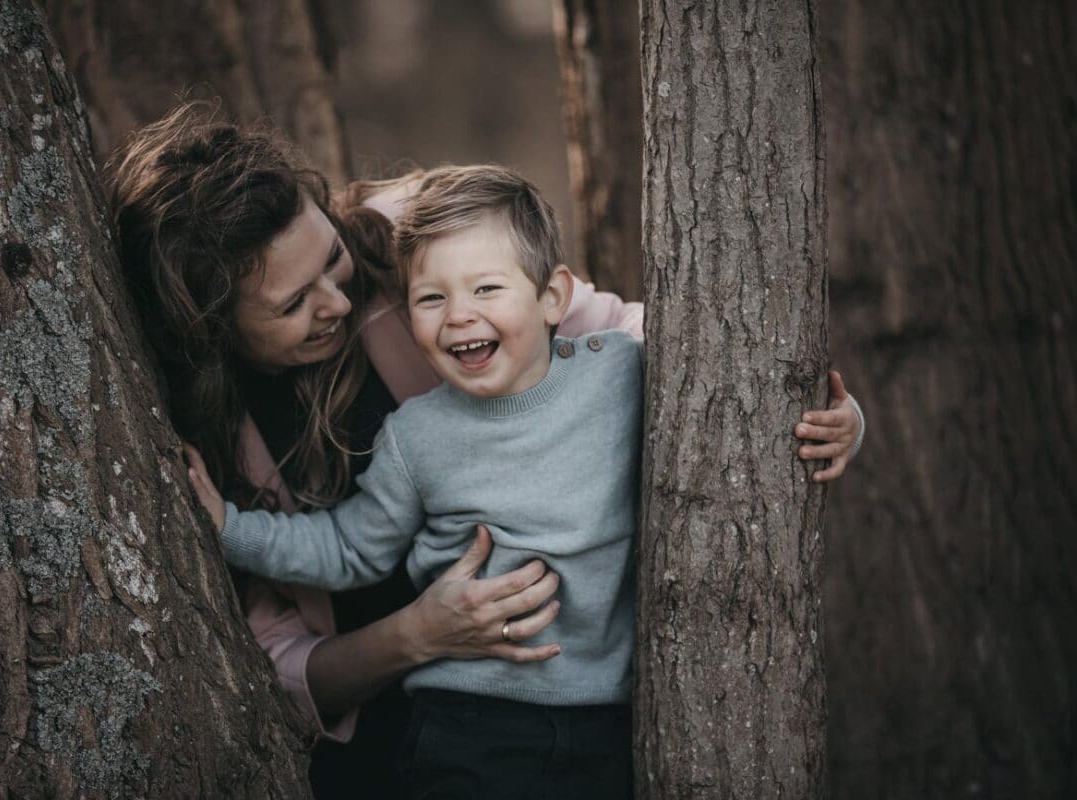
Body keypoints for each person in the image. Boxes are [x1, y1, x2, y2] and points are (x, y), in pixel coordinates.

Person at [106, 103, 865, 798]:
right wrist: (420, 634)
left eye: (329, 261)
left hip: (599, 702)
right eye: (293, 304)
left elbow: (652, 344)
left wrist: (820, 410)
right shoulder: (241, 438)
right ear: (214, 331)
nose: (336, 302)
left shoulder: (423, 244)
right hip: (440, 730)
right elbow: (283, 652)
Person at [186, 164, 648, 797]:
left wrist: (832, 416)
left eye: (485, 290)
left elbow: (724, 371)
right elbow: (347, 547)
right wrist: (229, 530)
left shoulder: (615, 369)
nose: (460, 316)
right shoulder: (415, 437)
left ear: (551, 298)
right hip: (469, 719)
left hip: (609, 710)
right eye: (432, 299)